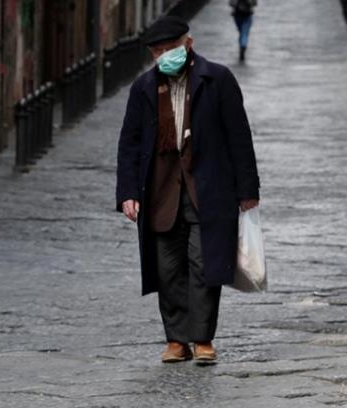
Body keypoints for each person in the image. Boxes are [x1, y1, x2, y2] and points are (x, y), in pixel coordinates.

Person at [115, 16, 260, 364]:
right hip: (161, 192)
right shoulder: (144, 88)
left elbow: (239, 136)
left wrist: (247, 189)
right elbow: (130, 143)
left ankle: (203, 338)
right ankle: (177, 340)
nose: (164, 56)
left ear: (188, 44)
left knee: (204, 263)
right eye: (158, 51)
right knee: (167, 268)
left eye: (170, 49)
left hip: (208, 190)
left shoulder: (218, 80)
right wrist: (128, 192)